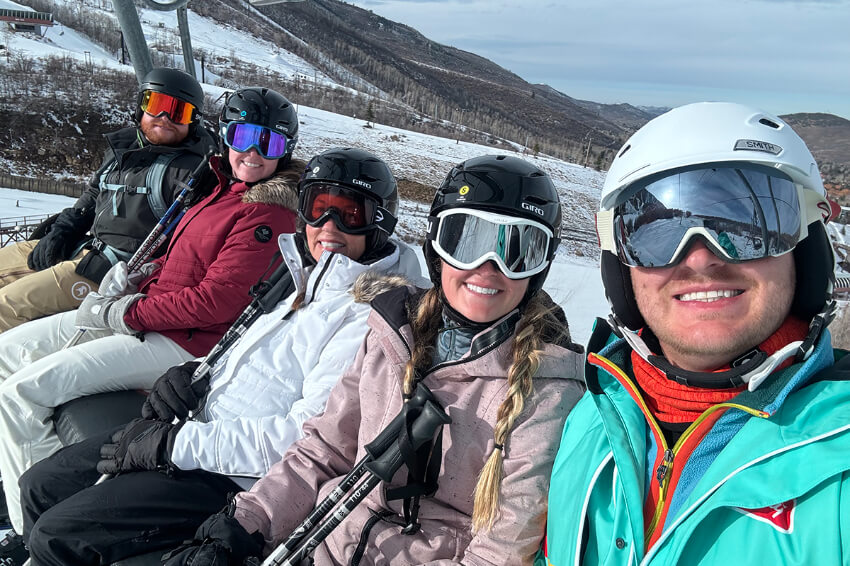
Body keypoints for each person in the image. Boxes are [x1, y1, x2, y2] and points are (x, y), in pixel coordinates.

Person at [5, 147, 429, 566]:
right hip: (196, 426)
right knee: (40, 484)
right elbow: (253, 360)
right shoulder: (302, 274)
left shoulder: (367, 317)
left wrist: (173, 445)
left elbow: (303, 440)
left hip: (231, 476)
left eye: (351, 213)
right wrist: (190, 376)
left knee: (59, 537)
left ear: (379, 224)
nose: (329, 225)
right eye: (318, 208)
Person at [167, 155, 586, 565]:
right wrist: (247, 523)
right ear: (437, 249)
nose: (487, 268)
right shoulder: (393, 333)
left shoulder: (546, 390)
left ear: (541, 268)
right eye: (466, 241)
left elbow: (498, 553)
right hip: (320, 547)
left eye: (519, 249)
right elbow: (325, 449)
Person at [543, 102, 850, 565]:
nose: (701, 259)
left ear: (806, 252)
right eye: (656, 235)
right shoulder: (591, 419)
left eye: (750, 228)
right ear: (619, 267)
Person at [0, 86, 304, 550]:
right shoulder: (219, 188)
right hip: (151, 313)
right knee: (7, 352)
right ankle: (13, 474)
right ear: (226, 135)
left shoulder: (268, 211)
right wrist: (140, 275)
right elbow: (184, 259)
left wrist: (128, 312)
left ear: (286, 152)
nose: (253, 152)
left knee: (22, 392)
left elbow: (217, 301)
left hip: (184, 342)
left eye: (270, 143)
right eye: (243, 136)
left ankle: (32, 527)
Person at [0, 67, 216, 332]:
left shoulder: (193, 172)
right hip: (86, 246)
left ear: (193, 121)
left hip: (112, 272)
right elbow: (94, 193)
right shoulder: (123, 148)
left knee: (6, 306)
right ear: (141, 107)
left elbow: (193, 243)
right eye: (156, 104)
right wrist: (64, 229)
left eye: (178, 112)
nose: (164, 117)